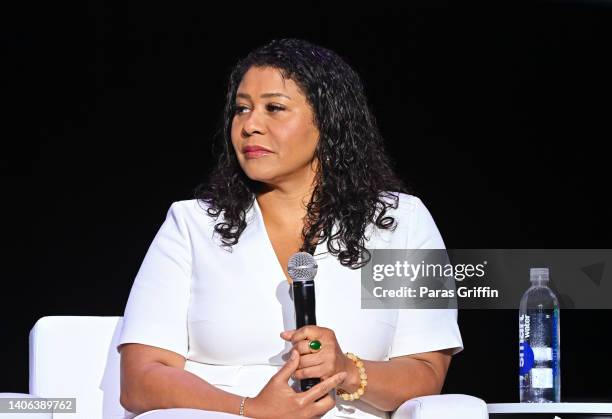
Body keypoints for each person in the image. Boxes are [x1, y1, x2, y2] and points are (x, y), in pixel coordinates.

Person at [116, 38, 463, 419]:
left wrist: (347, 371)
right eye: (242, 109)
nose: (250, 126)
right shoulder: (193, 223)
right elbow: (140, 378)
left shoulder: (400, 221)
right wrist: (253, 409)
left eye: (274, 108)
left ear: (329, 121)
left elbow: (427, 371)